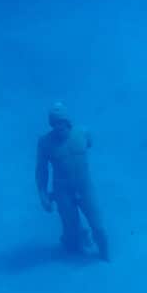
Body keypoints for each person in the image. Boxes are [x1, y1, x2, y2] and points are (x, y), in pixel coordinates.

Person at [35, 102, 109, 261]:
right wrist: (43, 195)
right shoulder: (45, 143)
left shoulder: (83, 133)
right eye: (54, 123)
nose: (58, 127)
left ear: (68, 121)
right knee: (71, 230)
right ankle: (76, 238)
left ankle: (104, 253)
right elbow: (41, 171)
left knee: (98, 225)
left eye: (61, 122)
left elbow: (89, 144)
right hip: (62, 191)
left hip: (85, 187)